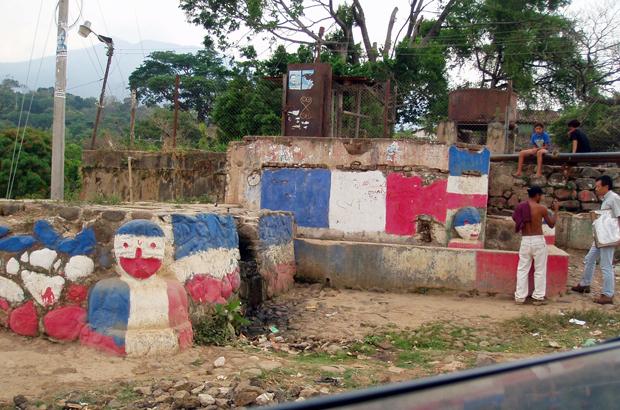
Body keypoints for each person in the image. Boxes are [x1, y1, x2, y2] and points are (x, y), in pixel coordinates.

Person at [571, 175, 620, 304]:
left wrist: (617, 237)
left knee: (606, 265)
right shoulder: (606, 199)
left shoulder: (614, 198)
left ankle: (608, 294)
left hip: (608, 236)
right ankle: (585, 284)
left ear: (606, 186)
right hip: (602, 235)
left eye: (598, 186)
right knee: (589, 258)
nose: (596, 189)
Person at [513, 186, 559, 305]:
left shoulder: (520, 207)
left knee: (522, 269)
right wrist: (556, 211)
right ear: (537, 195)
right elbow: (552, 224)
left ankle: (519, 297)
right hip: (538, 240)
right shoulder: (541, 209)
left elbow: (516, 219)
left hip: (525, 240)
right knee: (540, 270)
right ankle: (538, 297)